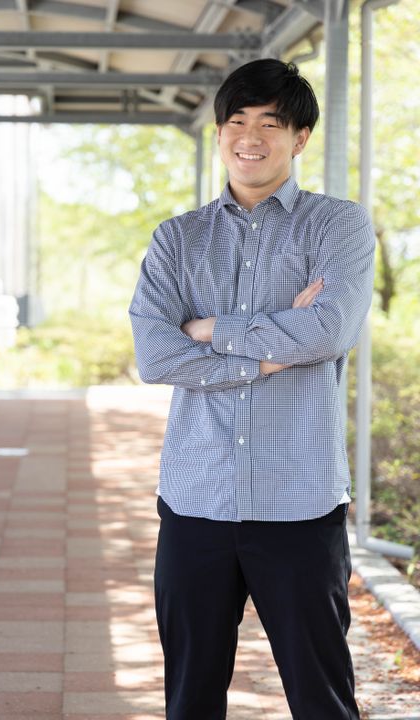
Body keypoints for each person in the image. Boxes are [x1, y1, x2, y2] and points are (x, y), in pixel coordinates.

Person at [129, 58, 375, 720]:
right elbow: (157, 356)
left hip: (300, 503)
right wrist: (269, 356)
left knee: (323, 700)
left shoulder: (337, 226)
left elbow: (328, 330)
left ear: (300, 137)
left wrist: (209, 329)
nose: (251, 137)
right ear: (219, 134)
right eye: (237, 121)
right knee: (190, 700)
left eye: (271, 123)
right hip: (196, 500)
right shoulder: (178, 239)